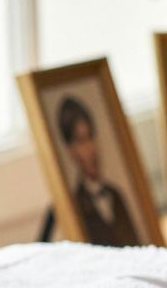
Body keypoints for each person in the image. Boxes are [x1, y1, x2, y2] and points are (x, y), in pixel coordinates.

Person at [56, 96, 141, 247]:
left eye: (91, 137)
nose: (91, 149)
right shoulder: (75, 209)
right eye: (82, 141)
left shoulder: (115, 195)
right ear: (71, 150)